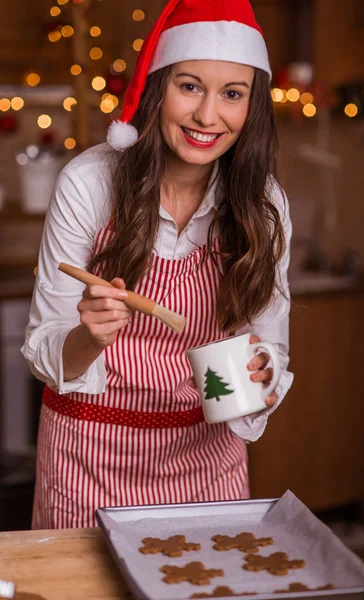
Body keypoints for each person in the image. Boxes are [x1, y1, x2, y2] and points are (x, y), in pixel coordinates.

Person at [22, 0, 294, 529]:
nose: (208, 116)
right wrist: (89, 337)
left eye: (232, 94)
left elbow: (271, 347)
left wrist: (263, 374)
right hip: (88, 463)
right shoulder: (90, 183)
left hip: (206, 466)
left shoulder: (264, 204)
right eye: (189, 86)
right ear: (158, 87)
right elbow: (43, 349)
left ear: (251, 106)